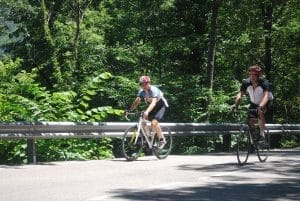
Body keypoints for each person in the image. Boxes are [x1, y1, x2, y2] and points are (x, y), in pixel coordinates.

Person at [232, 65, 273, 142]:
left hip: (266, 101)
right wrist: (235, 105)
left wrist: (261, 106)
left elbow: (266, 96)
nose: (252, 77)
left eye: (255, 75)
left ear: (259, 75)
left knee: (260, 111)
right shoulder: (246, 83)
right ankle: (252, 142)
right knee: (250, 119)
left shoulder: (264, 83)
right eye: (251, 74)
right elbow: (240, 94)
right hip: (253, 102)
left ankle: (262, 134)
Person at [126, 75, 169, 148]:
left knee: (153, 123)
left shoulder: (153, 90)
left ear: (149, 83)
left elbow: (153, 103)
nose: (143, 85)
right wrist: (129, 110)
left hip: (161, 106)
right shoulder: (141, 91)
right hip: (153, 107)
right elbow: (137, 102)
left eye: (145, 83)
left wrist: (147, 111)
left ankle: (162, 140)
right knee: (143, 122)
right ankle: (149, 137)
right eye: (141, 84)